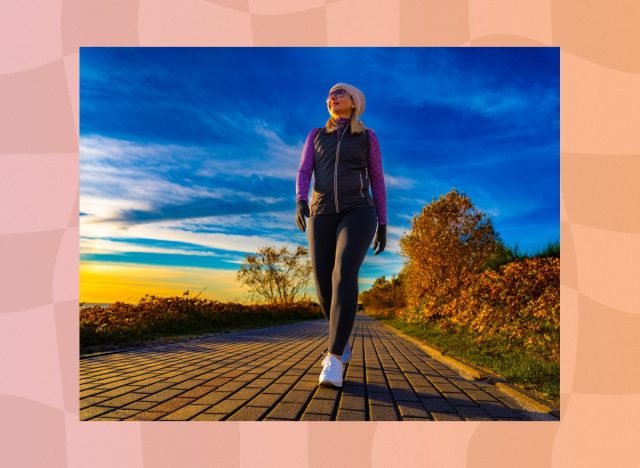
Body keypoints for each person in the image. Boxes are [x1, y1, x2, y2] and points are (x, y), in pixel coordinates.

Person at [295, 83, 387, 388]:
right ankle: (342, 340)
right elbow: (304, 170)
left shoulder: (366, 137)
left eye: (340, 94)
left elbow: (377, 178)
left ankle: (333, 358)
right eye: (330, 95)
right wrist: (300, 199)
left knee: (343, 272)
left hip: (359, 209)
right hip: (322, 212)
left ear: (355, 102)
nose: (332, 98)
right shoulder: (316, 135)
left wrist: (383, 223)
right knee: (323, 284)